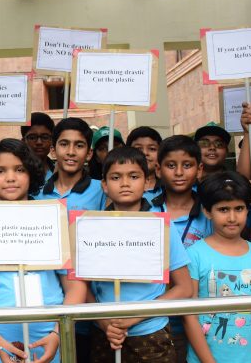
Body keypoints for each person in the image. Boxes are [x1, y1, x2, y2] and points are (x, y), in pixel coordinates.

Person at [0, 138, 86, 363]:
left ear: (31, 174)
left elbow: (75, 287)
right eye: (0, 170)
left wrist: (57, 334)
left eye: (19, 169)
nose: (10, 178)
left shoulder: (53, 217)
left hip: (48, 345)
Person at [90, 147, 192, 363]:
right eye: (116, 177)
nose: (125, 183)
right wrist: (105, 322)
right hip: (105, 333)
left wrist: (133, 318)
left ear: (147, 182)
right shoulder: (90, 226)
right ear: (104, 185)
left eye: (134, 176)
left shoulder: (162, 225)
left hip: (151, 333)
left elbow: (184, 287)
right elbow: (81, 289)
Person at [184, 171, 251, 363]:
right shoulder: (194, 255)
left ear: (248, 209)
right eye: (223, 209)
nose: (232, 217)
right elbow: (189, 316)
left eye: (239, 208)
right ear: (207, 211)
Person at [35, 118, 105, 363]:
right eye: (64, 144)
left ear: (89, 153)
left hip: (91, 303)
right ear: (53, 150)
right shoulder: (35, 192)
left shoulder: (103, 190)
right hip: (48, 301)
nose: (71, 152)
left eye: (79, 145)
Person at [149, 135, 213, 360]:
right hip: (158, 321)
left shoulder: (210, 211)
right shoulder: (146, 210)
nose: (178, 173)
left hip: (201, 320)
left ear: (200, 169)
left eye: (187, 165)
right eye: (170, 165)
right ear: (158, 169)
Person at [126, 126, 163, 202]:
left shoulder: (169, 187)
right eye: (138, 149)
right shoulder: (121, 187)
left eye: (152, 149)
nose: (145, 153)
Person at [22, 112, 56, 180]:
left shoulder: (60, 174)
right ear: (23, 141)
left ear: (52, 141)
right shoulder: (17, 172)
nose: (39, 142)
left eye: (45, 137)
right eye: (32, 138)